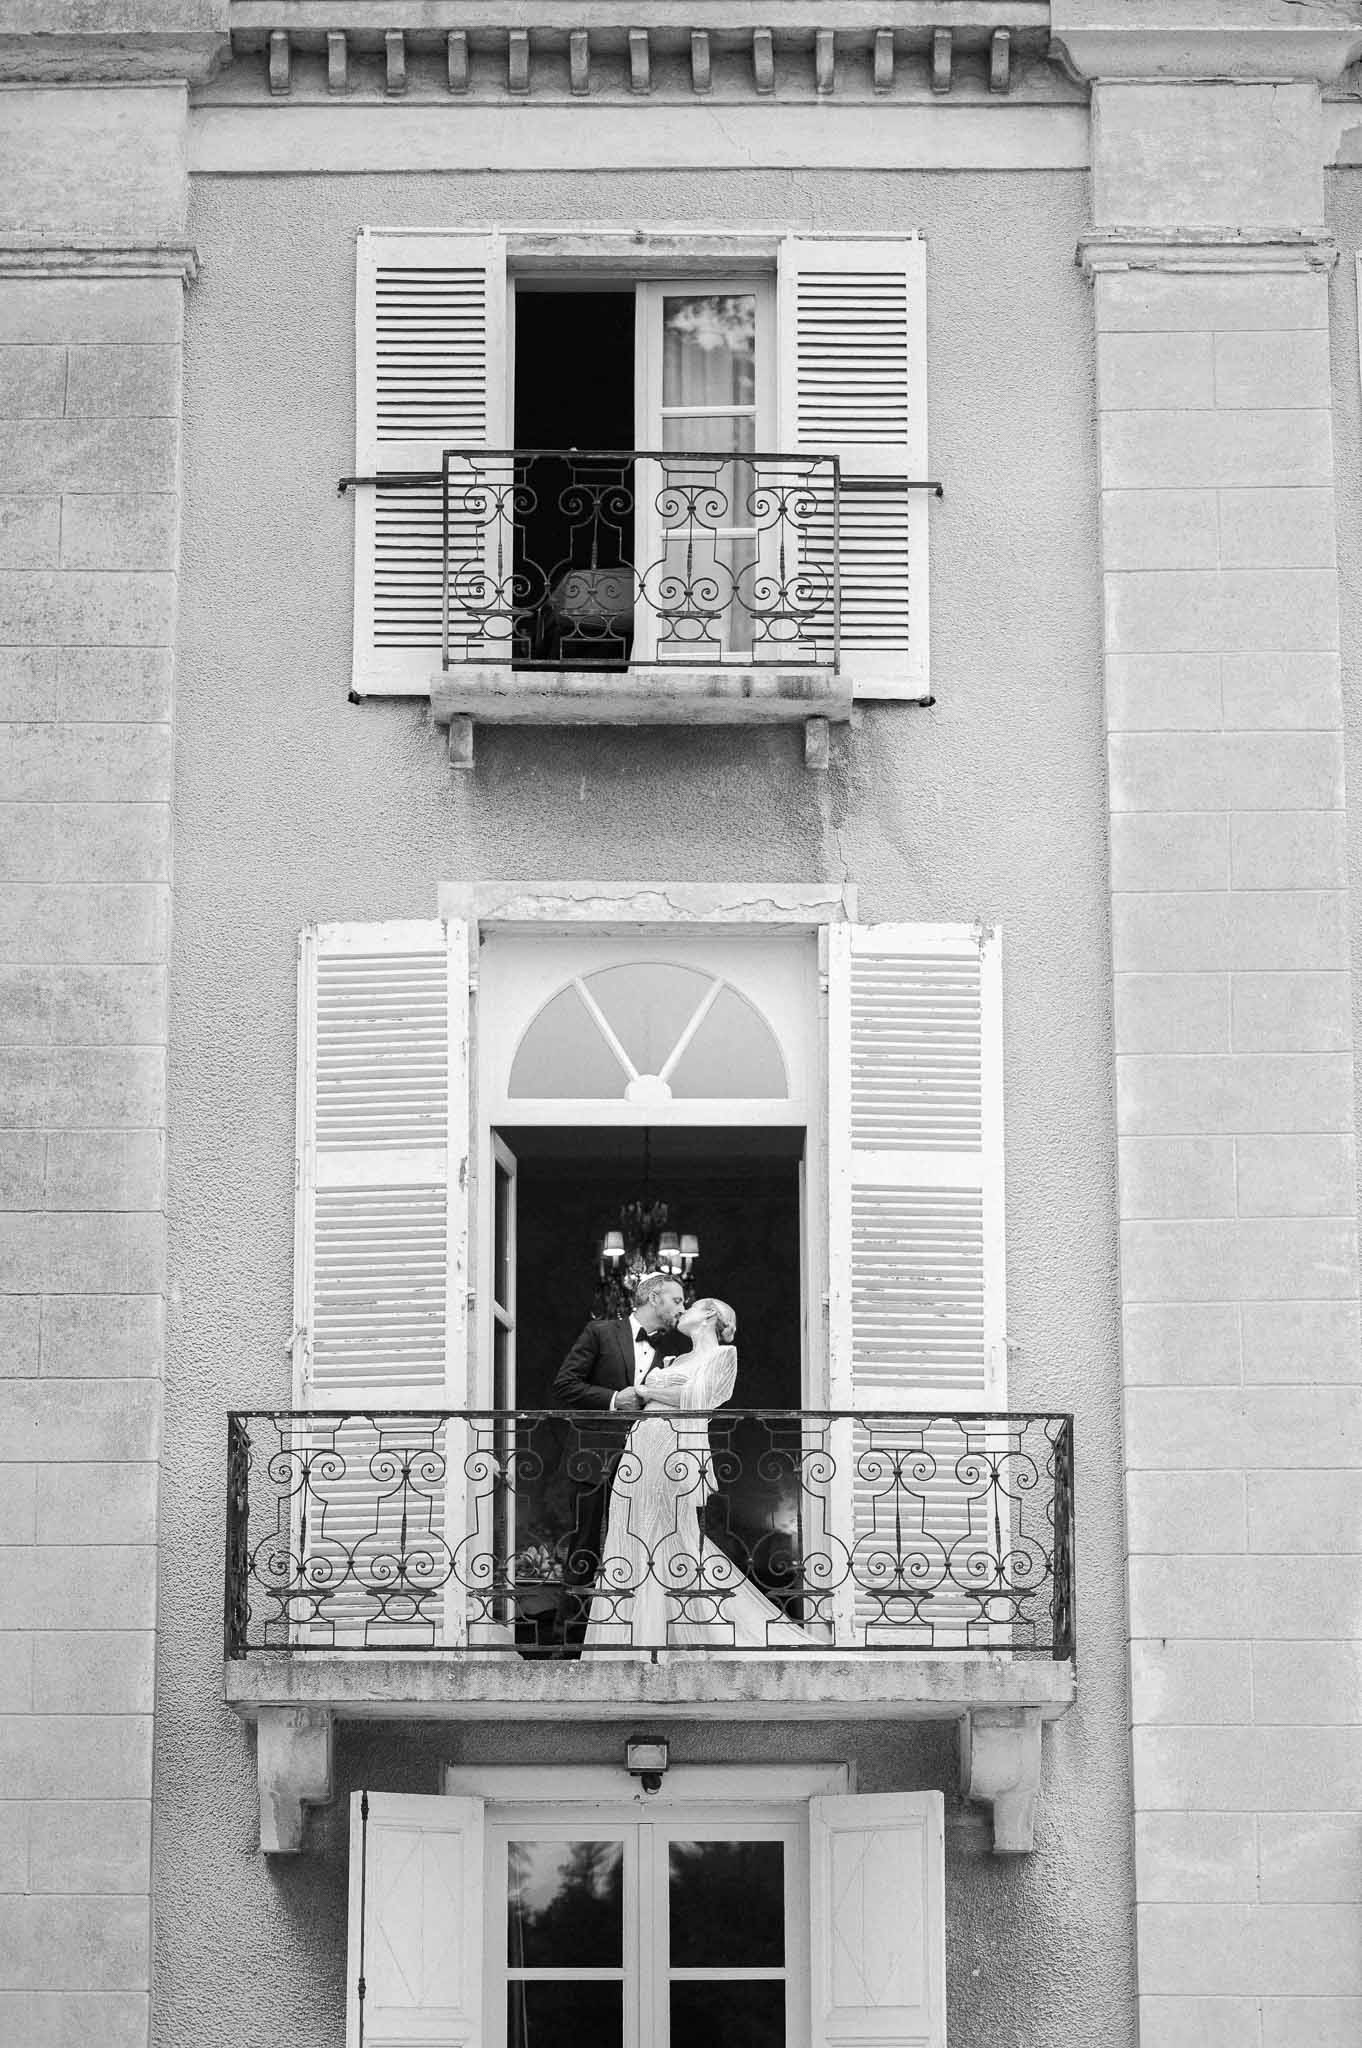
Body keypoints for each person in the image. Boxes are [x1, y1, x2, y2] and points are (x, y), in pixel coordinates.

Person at [584, 1296, 815, 1651]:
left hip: (671, 1449)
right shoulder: (678, 1358)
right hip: (642, 1444)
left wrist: (647, 1388)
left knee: (670, 1536)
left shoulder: (723, 1356)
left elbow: (698, 1397)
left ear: (708, 1315)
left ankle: (675, 1636)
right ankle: (634, 1637)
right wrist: (660, 1386)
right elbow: (676, 1392)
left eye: (689, 1306)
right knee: (630, 1533)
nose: (682, 1311)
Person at [551, 1272, 690, 1647]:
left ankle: (622, 1640)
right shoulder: (600, 1332)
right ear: (654, 1297)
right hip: (593, 1458)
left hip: (643, 1463)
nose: (682, 1308)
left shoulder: (672, 1356)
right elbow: (565, 1385)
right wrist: (615, 1400)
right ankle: (566, 1645)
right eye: (677, 1300)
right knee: (584, 1549)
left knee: (635, 1548)